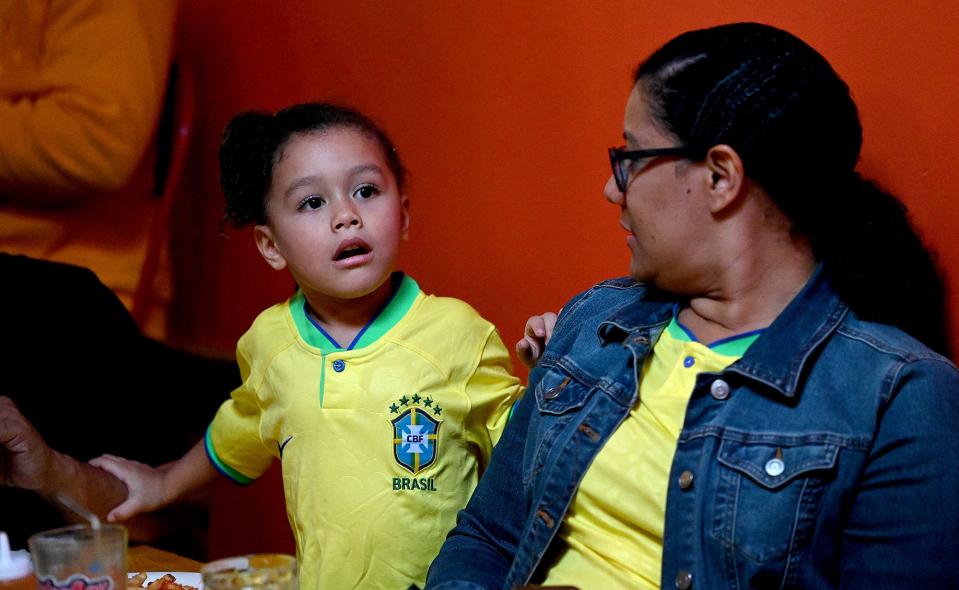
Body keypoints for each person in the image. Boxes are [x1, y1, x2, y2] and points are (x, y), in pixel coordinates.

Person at [425, 22, 959, 589]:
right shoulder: (592, 322)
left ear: (720, 177)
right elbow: (486, 538)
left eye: (630, 155)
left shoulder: (901, 397)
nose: (613, 188)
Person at [91, 103, 524, 589]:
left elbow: (525, 451)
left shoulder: (457, 334)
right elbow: (241, 425)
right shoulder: (269, 344)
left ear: (402, 214)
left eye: (366, 191)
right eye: (312, 203)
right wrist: (164, 483)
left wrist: (552, 374)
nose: (346, 216)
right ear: (270, 246)